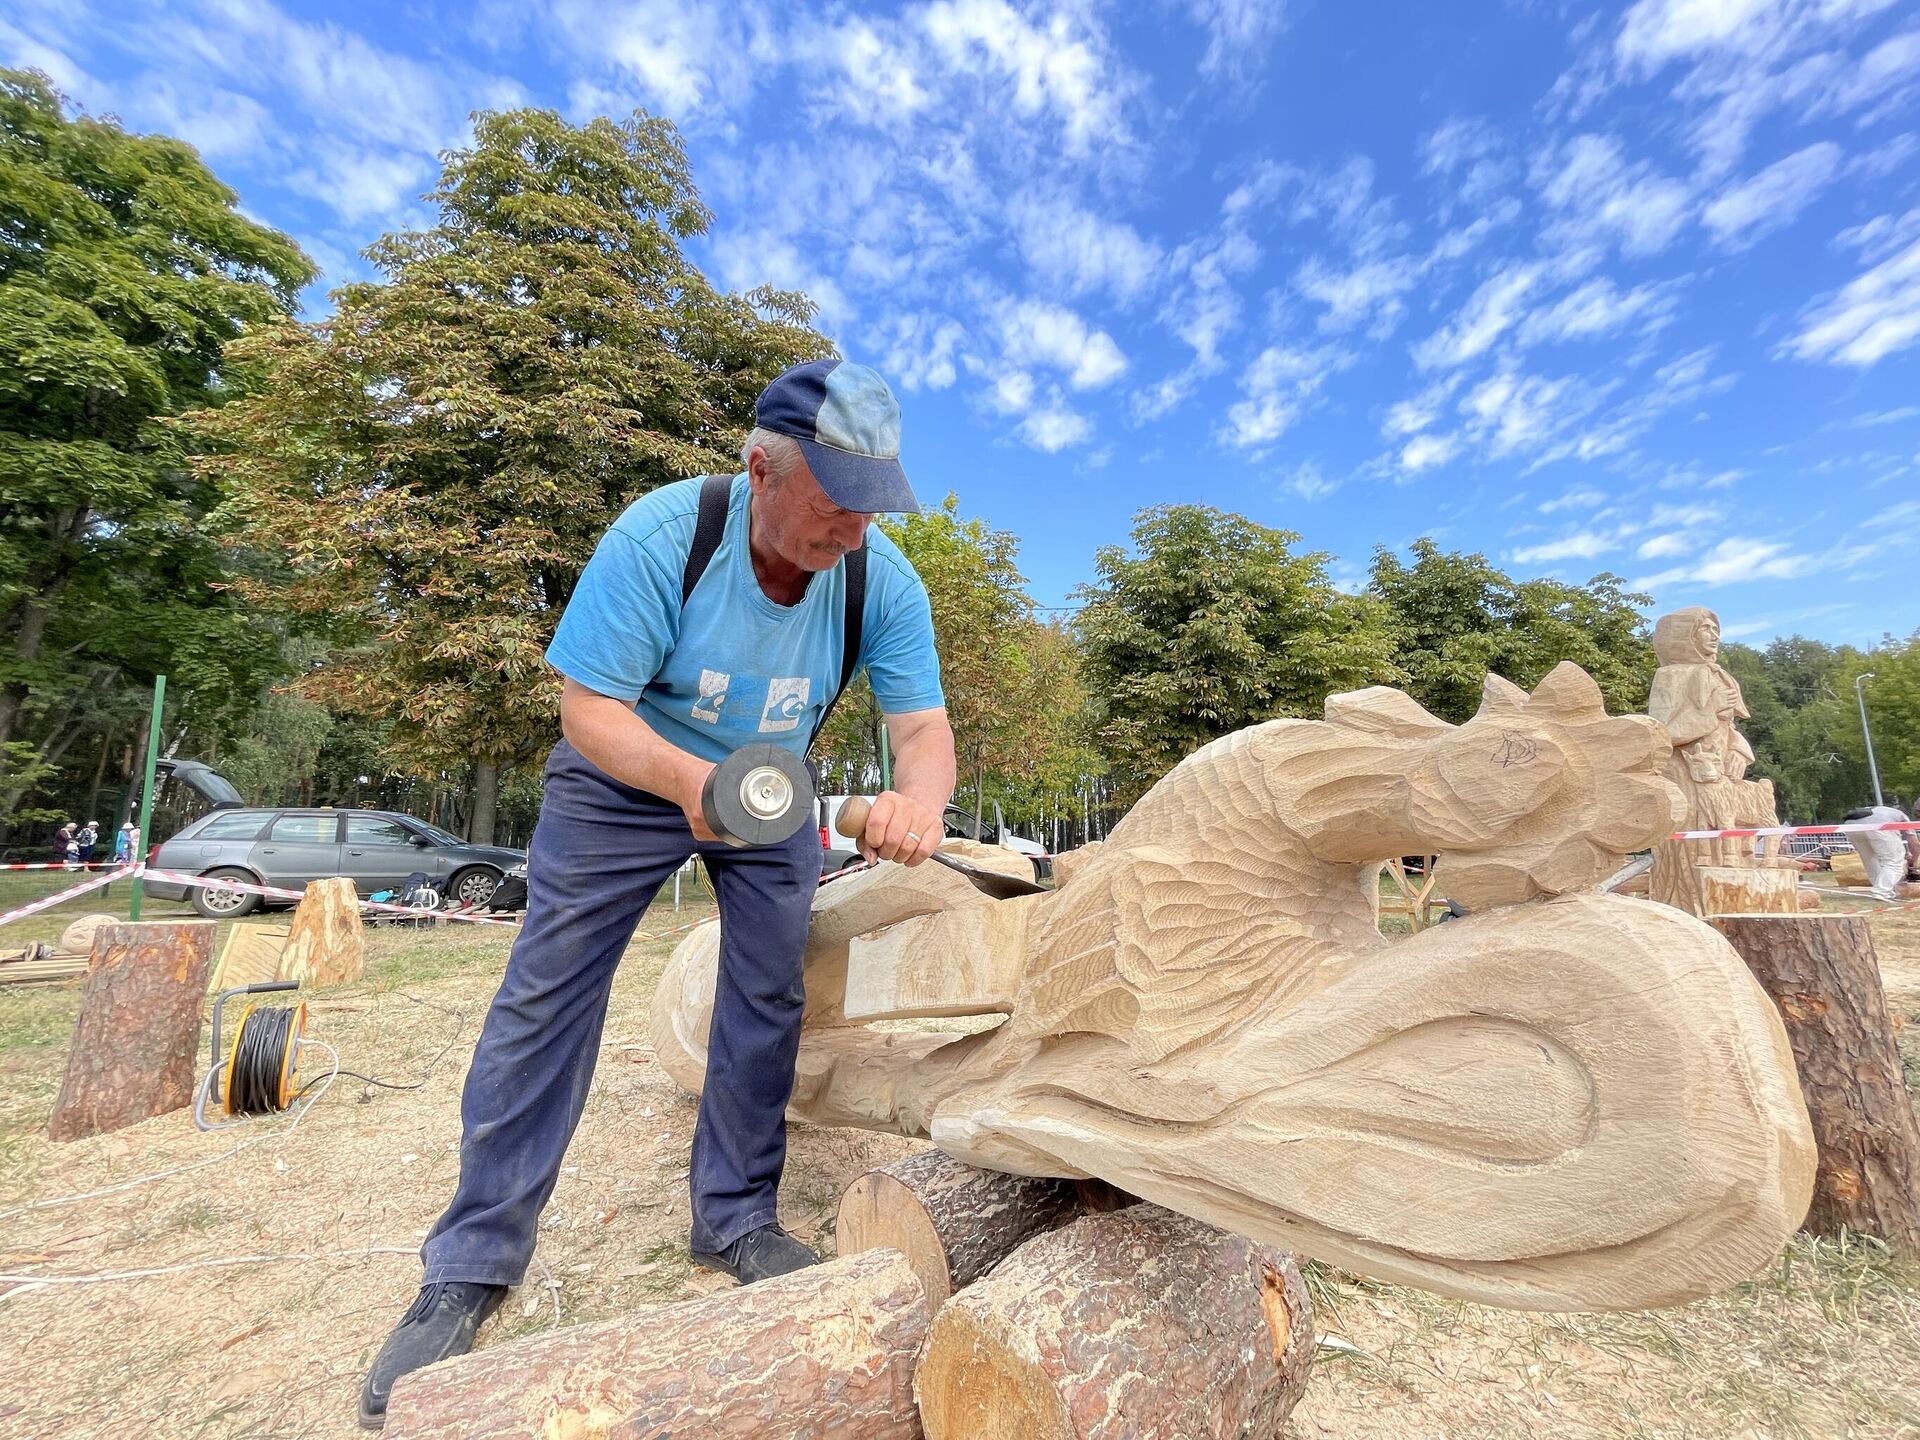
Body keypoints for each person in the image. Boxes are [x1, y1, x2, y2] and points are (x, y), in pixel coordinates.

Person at [358, 359, 956, 1429]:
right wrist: (691, 785)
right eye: (832, 500)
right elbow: (588, 708)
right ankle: (472, 1261)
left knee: (768, 990)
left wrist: (919, 799)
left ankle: (733, 1222)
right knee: (551, 990)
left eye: (871, 506)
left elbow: (921, 732)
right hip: (628, 771)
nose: (851, 531)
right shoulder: (660, 537)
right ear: (760, 465)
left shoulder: (881, 581)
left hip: (770, 785)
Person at [1843, 801, 1910, 901]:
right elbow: (1915, 843)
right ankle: (1882, 891)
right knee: (1894, 862)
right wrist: (1914, 860)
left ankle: (1881, 889)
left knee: (1869, 860)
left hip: (1850, 826)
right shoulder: (1903, 817)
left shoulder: (1884, 811)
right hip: (1878, 826)